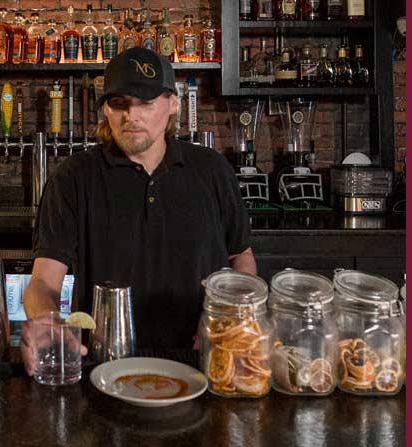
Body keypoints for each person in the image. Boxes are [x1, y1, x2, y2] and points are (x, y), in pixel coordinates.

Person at [21, 48, 256, 369]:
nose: (132, 116)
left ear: (173, 104)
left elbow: (241, 258)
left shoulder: (212, 170)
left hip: (202, 361)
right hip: (106, 365)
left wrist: (229, 318)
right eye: (119, 104)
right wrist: (47, 321)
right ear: (105, 109)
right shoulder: (73, 177)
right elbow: (44, 282)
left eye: (146, 103)